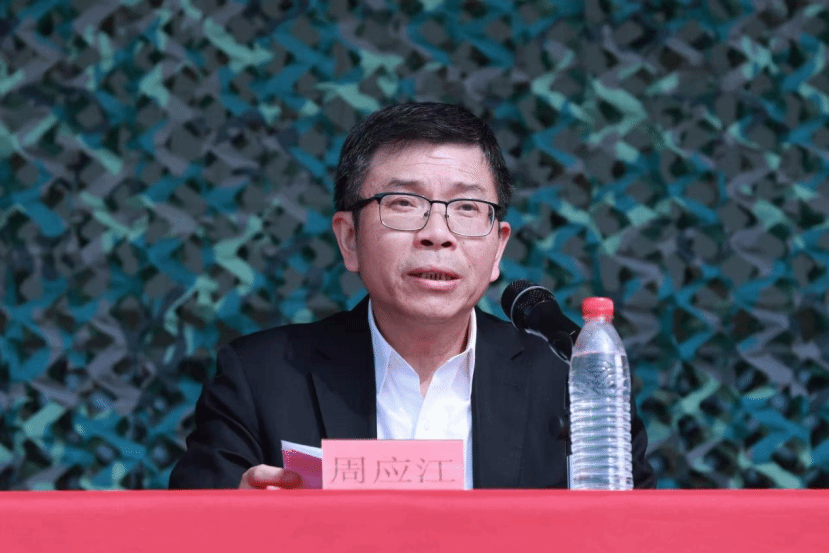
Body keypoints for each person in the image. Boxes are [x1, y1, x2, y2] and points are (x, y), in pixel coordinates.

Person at [168, 102, 655, 489]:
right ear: (349, 239)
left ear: (498, 247)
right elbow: (183, 534)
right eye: (404, 203)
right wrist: (237, 522)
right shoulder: (259, 379)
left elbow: (640, 535)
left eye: (466, 207)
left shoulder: (571, 383)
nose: (437, 234)